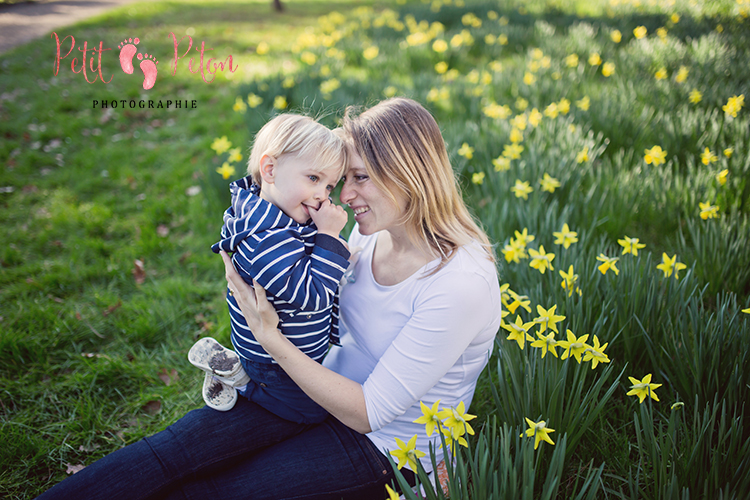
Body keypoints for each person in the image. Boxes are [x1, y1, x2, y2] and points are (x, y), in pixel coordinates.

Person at [36, 97, 501, 500]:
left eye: (360, 178)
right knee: (170, 453)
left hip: (384, 447)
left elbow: (367, 413)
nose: (344, 195)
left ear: (409, 175)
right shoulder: (368, 237)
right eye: (343, 180)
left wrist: (270, 338)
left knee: (206, 492)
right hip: (303, 391)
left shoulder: (459, 283)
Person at [187, 113, 350, 424]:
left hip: (291, 354)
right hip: (274, 362)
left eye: (330, 186)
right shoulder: (265, 239)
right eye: (314, 179)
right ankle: (240, 382)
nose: (322, 195)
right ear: (270, 169)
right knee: (312, 413)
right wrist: (329, 237)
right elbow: (313, 295)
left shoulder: (278, 218)